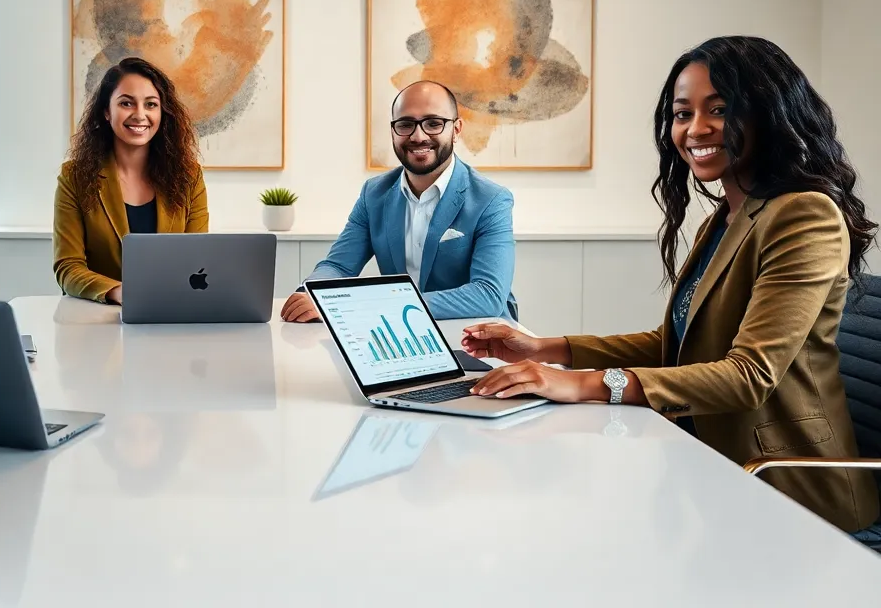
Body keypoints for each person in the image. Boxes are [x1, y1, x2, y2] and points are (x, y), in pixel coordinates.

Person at [464, 36, 880, 534]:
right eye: (683, 114)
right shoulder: (726, 218)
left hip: (787, 487)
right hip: (711, 467)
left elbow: (749, 375)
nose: (695, 128)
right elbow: (676, 344)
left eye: (719, 109)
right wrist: (543, 348)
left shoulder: (804, 214)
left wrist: (580, 384)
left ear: (768, 112)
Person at [281, 80, 516, 323]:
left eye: (433, 123)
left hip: (476, 334)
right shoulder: (374, 194)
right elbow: (339, 266)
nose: (418, 136)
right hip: (400, 331)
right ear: (393, 131)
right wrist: (312, 294)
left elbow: (488, 295)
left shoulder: (491, 199)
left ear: (456, 129)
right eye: (405, 124)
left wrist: (373, 305)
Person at [53, 57, 207, 304]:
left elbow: (198, 259)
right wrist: (118, 292)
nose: (140, 115)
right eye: (126, 103)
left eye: (151, 104)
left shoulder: (189, 177)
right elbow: (68, 267)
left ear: (162, 113)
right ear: (106, 111)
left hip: (171, 310)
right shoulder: (74, 177)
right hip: (100, 316)